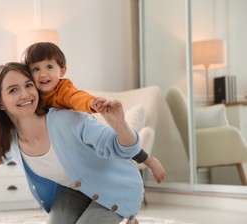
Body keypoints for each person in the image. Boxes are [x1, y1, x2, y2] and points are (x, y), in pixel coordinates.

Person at [0, 62, 146, 224]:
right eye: (13, 90)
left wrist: (120, 126)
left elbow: (121, 147)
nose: (25, 94)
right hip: (76, 191)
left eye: (28, 85)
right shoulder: (13, 139)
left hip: (113, 185)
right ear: (0, 103)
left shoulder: (67, 120)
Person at [21, 42, 166, 184]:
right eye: (35, 69)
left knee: (115, 146)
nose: (43, 74)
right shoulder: (31, 95)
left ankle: (149, 160)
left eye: (49, 66)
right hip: (65, 143)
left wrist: (91, 103)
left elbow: (76, 97)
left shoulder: (63, 90)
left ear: (62, 70)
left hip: (84, 129)